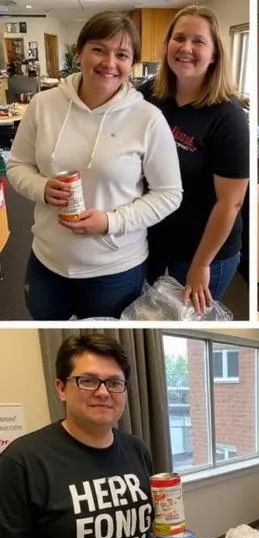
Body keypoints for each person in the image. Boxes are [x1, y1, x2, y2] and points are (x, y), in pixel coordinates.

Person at [6, 12, 182, 320]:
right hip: (48, 262)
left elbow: (169, 194)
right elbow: (17, 165)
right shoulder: (43, 105)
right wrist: (42, 189)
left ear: (132, 63)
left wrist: (111, 221)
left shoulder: (148, 118)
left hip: (114, 268)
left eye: (122, 54)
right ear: (80, 51)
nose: (110, 62)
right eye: (99, 49)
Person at [0, 335, 157, 538]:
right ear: (61, 388)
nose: (103, 391)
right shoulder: (23, 461)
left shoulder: (137, 451)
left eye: (114, 382)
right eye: (87, 380)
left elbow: (143, 530)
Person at [140, 5, 249, 314]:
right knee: (143, 313)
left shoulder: (228, 117)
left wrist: (201, 263)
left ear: (214, 54)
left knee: (184, 319)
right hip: (152, 236)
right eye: (179, 38)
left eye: (199, 41)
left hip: (203, 250)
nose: (186, 48)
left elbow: (230, 203)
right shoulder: (149, 94)